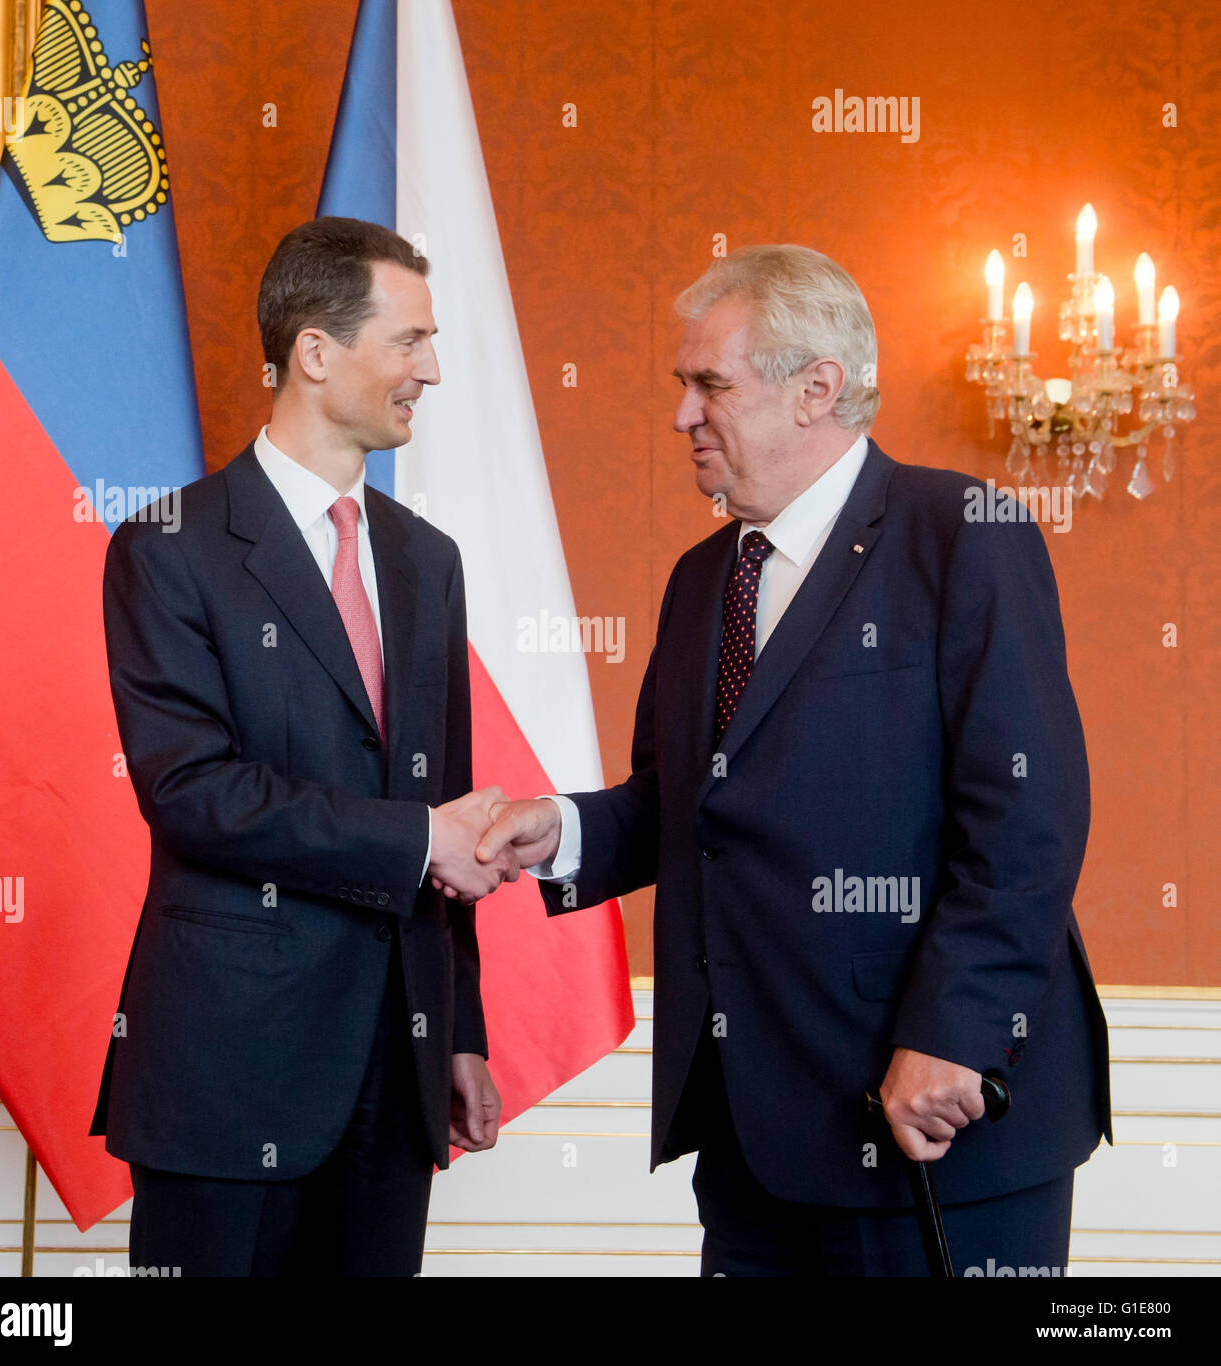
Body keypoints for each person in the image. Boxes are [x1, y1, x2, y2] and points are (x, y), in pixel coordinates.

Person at [473, 244, 1112, 1276]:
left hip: (933, 1129)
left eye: (708, 384)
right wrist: (567, 829)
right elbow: (682, 805)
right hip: (748, 1141)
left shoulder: (960, 534)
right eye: (682, 385)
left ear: (818, 387)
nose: (682, 414)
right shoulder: (700, 580)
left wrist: (953, 1035)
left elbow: (1026, 822)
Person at [91, 217, 517, 1277]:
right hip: (228, 1069)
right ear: (317, 352)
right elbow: (193, 793)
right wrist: (417, 836)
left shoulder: (429, 561)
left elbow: (450, 816)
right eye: (409, 341)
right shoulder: (167, 548)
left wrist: (457, 1027)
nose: (431, 370)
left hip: (397, 1070)